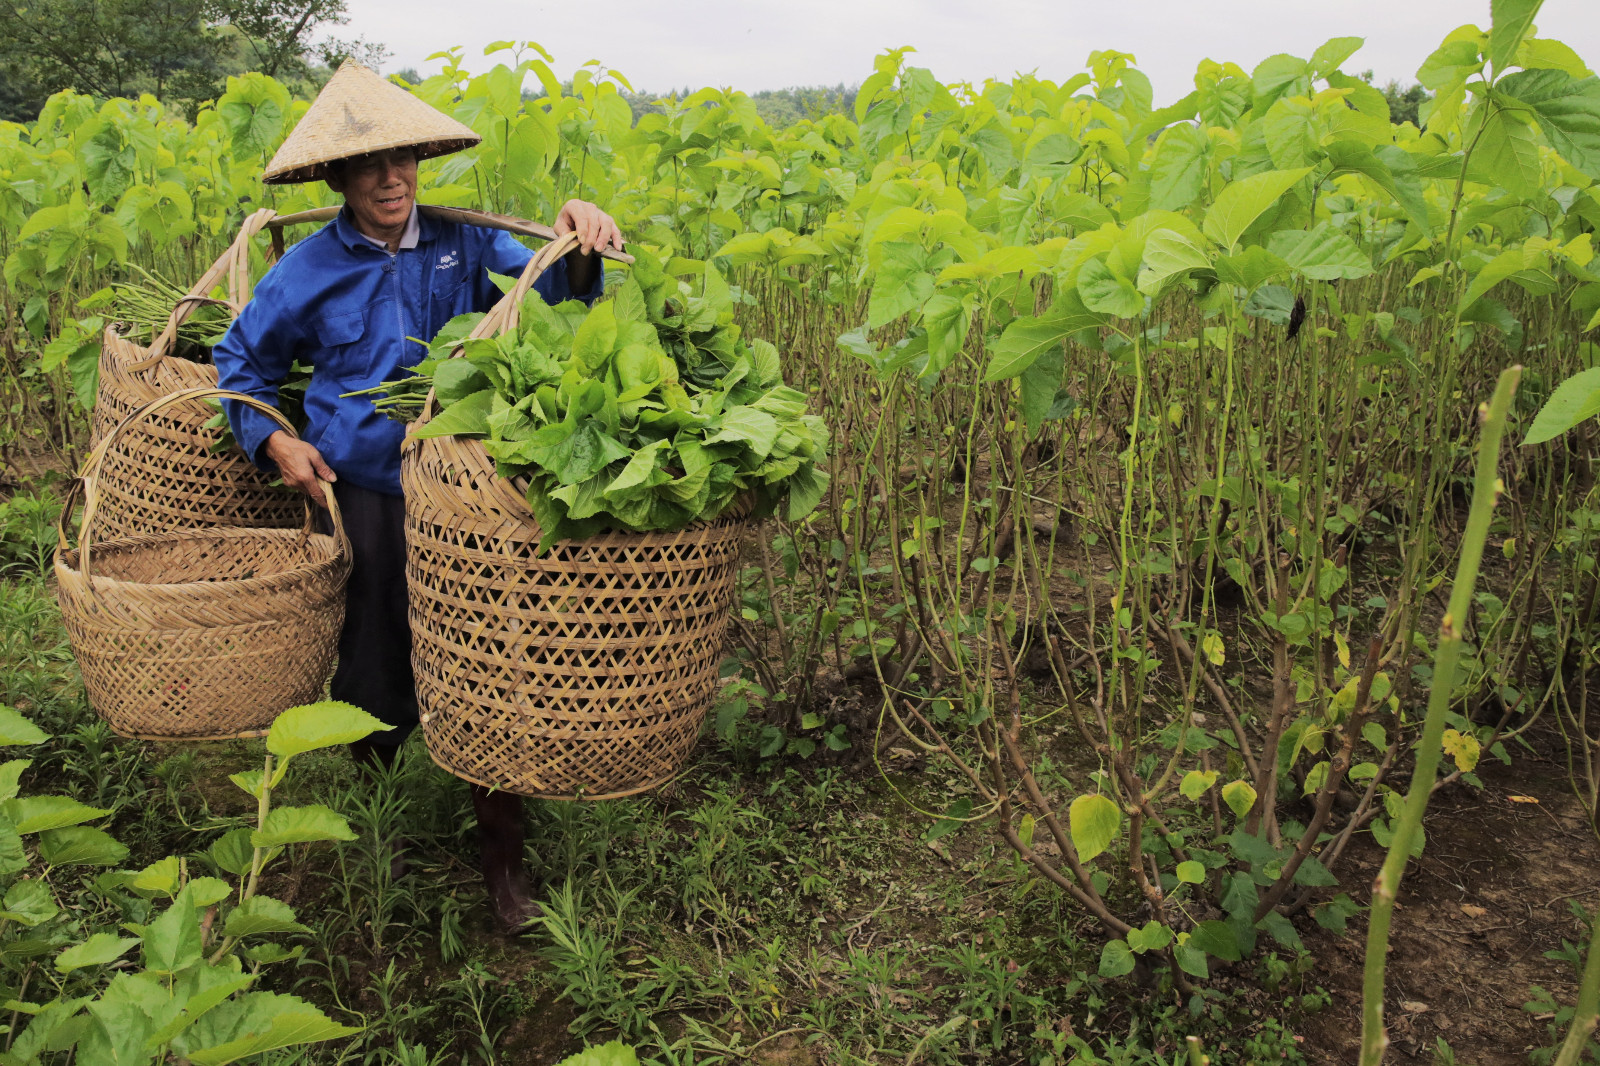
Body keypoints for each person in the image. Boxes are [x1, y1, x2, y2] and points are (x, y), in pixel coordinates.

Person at [212, 60, 625, 932]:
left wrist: (579, 237)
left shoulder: (465, 243)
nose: (390, 179)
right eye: (368, 166)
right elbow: (239, 362)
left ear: (419, 165)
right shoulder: (309, 269)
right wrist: (276, 439)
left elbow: (550, 290)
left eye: (401, 161)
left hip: (467, 491)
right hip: (363, 485)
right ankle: (386, 824)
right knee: (373, 653)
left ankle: (503, 858)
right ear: (338, 179)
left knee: (490, 654)